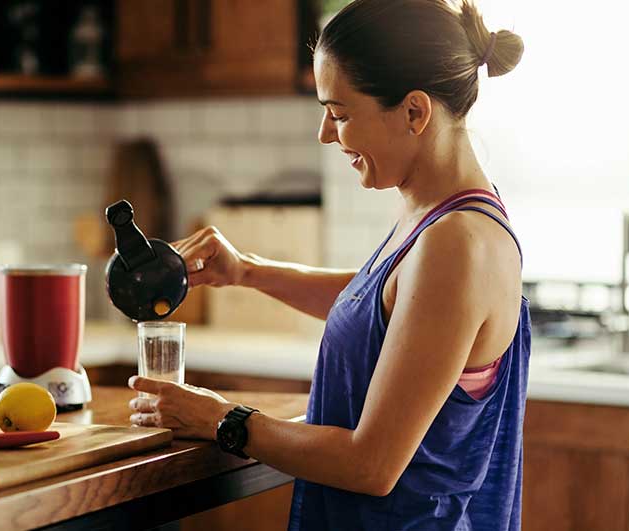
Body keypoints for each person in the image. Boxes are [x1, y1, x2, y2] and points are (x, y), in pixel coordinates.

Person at [127, 0, 528, 528]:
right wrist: (246, 271)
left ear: (414, 112)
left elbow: (371, 464)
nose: (325, 133)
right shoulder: (437, 216)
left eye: (339, 114)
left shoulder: (457, 243)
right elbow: (388, 310)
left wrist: (221, 417)